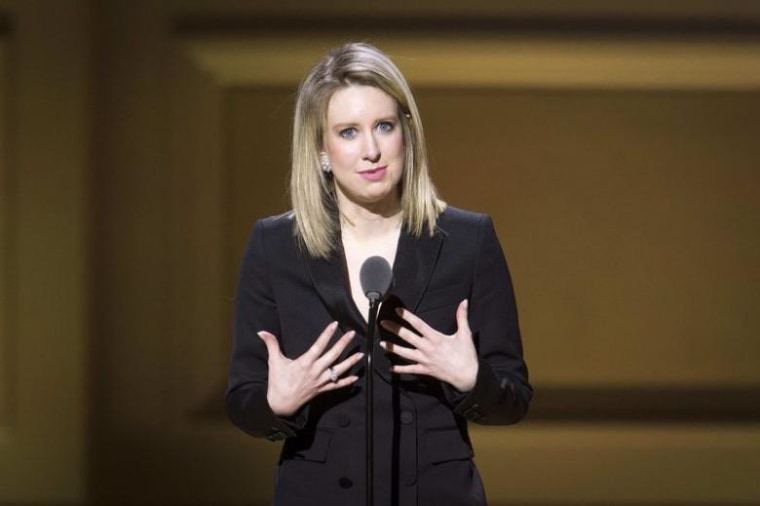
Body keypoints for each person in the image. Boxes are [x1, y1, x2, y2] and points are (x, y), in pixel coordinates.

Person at [225, 42, 532, 506]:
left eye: (384, 127)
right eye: (348, 132)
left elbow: (513, 398)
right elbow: (243, 400)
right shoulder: (275, 247)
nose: (371, 150)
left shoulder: (468, 240)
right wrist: (278, 404)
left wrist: (471, 379)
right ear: (321, 149)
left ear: (406, 134)